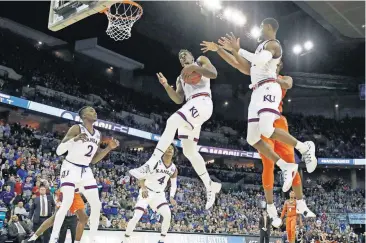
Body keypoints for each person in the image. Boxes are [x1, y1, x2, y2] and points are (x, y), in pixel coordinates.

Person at [201, 36, 315, 227]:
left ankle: (302, 202)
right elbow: (237, 62)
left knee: (290, 160)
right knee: (268, 164)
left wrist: (272, 76)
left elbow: (287, 84)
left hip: (278, 120)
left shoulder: (281, 76)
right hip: (264, 120)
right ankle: (271, 206)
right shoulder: (258, 74)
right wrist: (218, 50)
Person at [146, 49, 221, 210]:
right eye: (180, 57)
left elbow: (213, 74)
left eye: (185, 54)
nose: (182, 57)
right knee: (189, 151)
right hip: (190, 105)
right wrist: (166, 85)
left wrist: (194, 68)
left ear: (192, 56)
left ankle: (151, 161)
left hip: (203, 101)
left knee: (172, 121)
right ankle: (210, 185)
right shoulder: (180, 77)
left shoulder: (201, 60)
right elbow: (178, 98)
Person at [49, 106, 119, 243]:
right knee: (67, 202)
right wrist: (73, 140)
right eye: (91, 110)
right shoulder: (77, 128)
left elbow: (94, 159)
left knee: (97, 204)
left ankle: (92, 238)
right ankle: (54, 238)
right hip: (70, 167)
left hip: (85, 170)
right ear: (83, 115)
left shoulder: (98, 134)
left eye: (95, 110)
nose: (95, 112)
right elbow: (59, 151)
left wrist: (109, 148)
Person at [125, 144, 178, 243]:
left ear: (174, 152)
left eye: (172, 149)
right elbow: (141, 176)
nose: (170, 149)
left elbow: (174, 185)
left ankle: (162, 240)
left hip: (159, 195)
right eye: (168, 147)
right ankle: (126, 238)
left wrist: (171, 197)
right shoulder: (155, 162)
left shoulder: (174, 168)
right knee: (137, 216)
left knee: (167, 215)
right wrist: (143, 187)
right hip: (147, 191)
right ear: (163, 150)